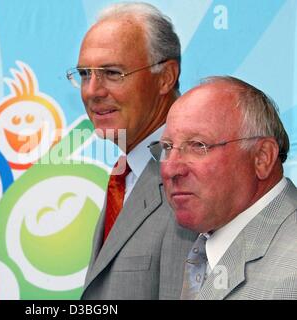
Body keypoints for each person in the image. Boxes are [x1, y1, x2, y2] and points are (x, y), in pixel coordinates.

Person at [66, 2, 196, 299]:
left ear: (166, 76)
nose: (93, 91)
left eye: (112, 73)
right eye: (85, 74)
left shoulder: (195, 172)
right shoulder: (128, 169)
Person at [154, 76, 297, 299]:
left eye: (198, 146)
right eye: (167, 147)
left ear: (262, 158)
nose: (170, 169)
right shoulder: (206, 245)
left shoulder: (291, 275)